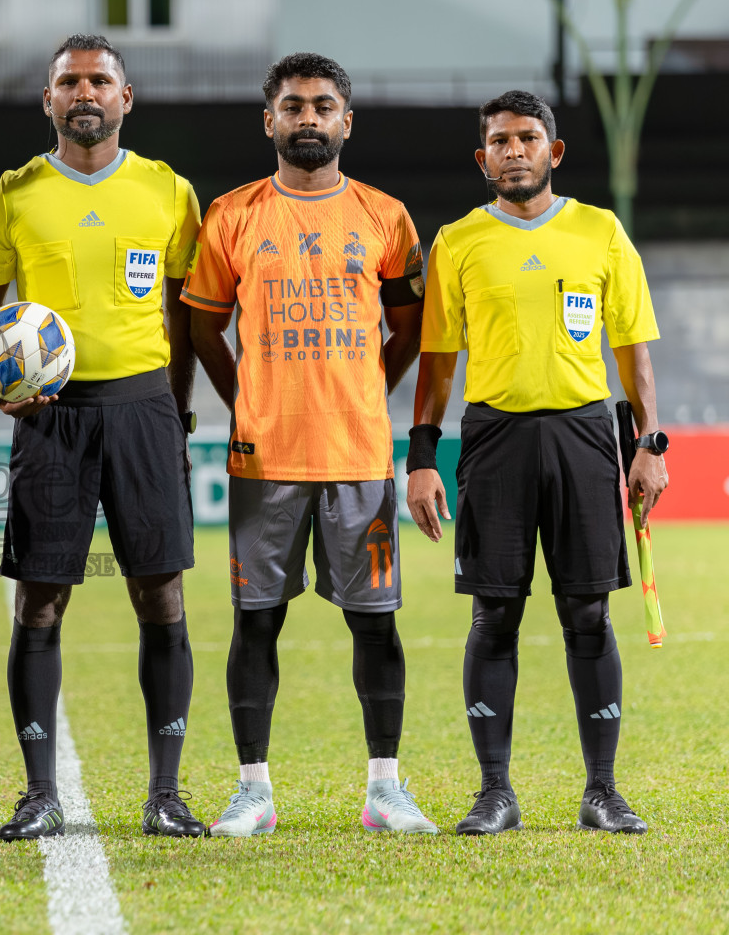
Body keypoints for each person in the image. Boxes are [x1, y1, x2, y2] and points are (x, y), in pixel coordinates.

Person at [184, 53, 437, 837]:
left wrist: (369, 387)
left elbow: (411, 329)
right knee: (255, 622)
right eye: (292, 106)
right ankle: (252, 790)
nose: (308, 118)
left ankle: (385, 790)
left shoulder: (386, 216)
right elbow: (201, 325)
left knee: (377, 622)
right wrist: (243, 399)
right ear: (270, 121)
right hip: (266, 459)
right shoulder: (231, 215)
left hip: (359, 456)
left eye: (323, 106)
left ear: (346, 121)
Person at [407, 89, 666, 836]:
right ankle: (495, 792)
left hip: (586, 437)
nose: (513, 150)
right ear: (481, 157)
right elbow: (437, 364)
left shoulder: (601, 231)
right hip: (493, 440)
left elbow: (633, 353)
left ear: (554, 152)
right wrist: (422, 457)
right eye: (499, 140)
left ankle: (602, 791)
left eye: (527, 138)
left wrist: (649, 447)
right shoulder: (456, 241)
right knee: (495, 613)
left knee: (588, 611)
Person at [0, 33, 204, 840]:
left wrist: (176, 414)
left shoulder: (169, 193)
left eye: (99, 80)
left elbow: (184, 311)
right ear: (48, 101)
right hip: (50, 417)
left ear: (125, 97)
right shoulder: (11, 197)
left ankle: (166, 794)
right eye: (68, 81)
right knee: (40, 599)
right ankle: (39, 791)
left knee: (161, 593)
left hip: (144, 409)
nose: (84, 92)